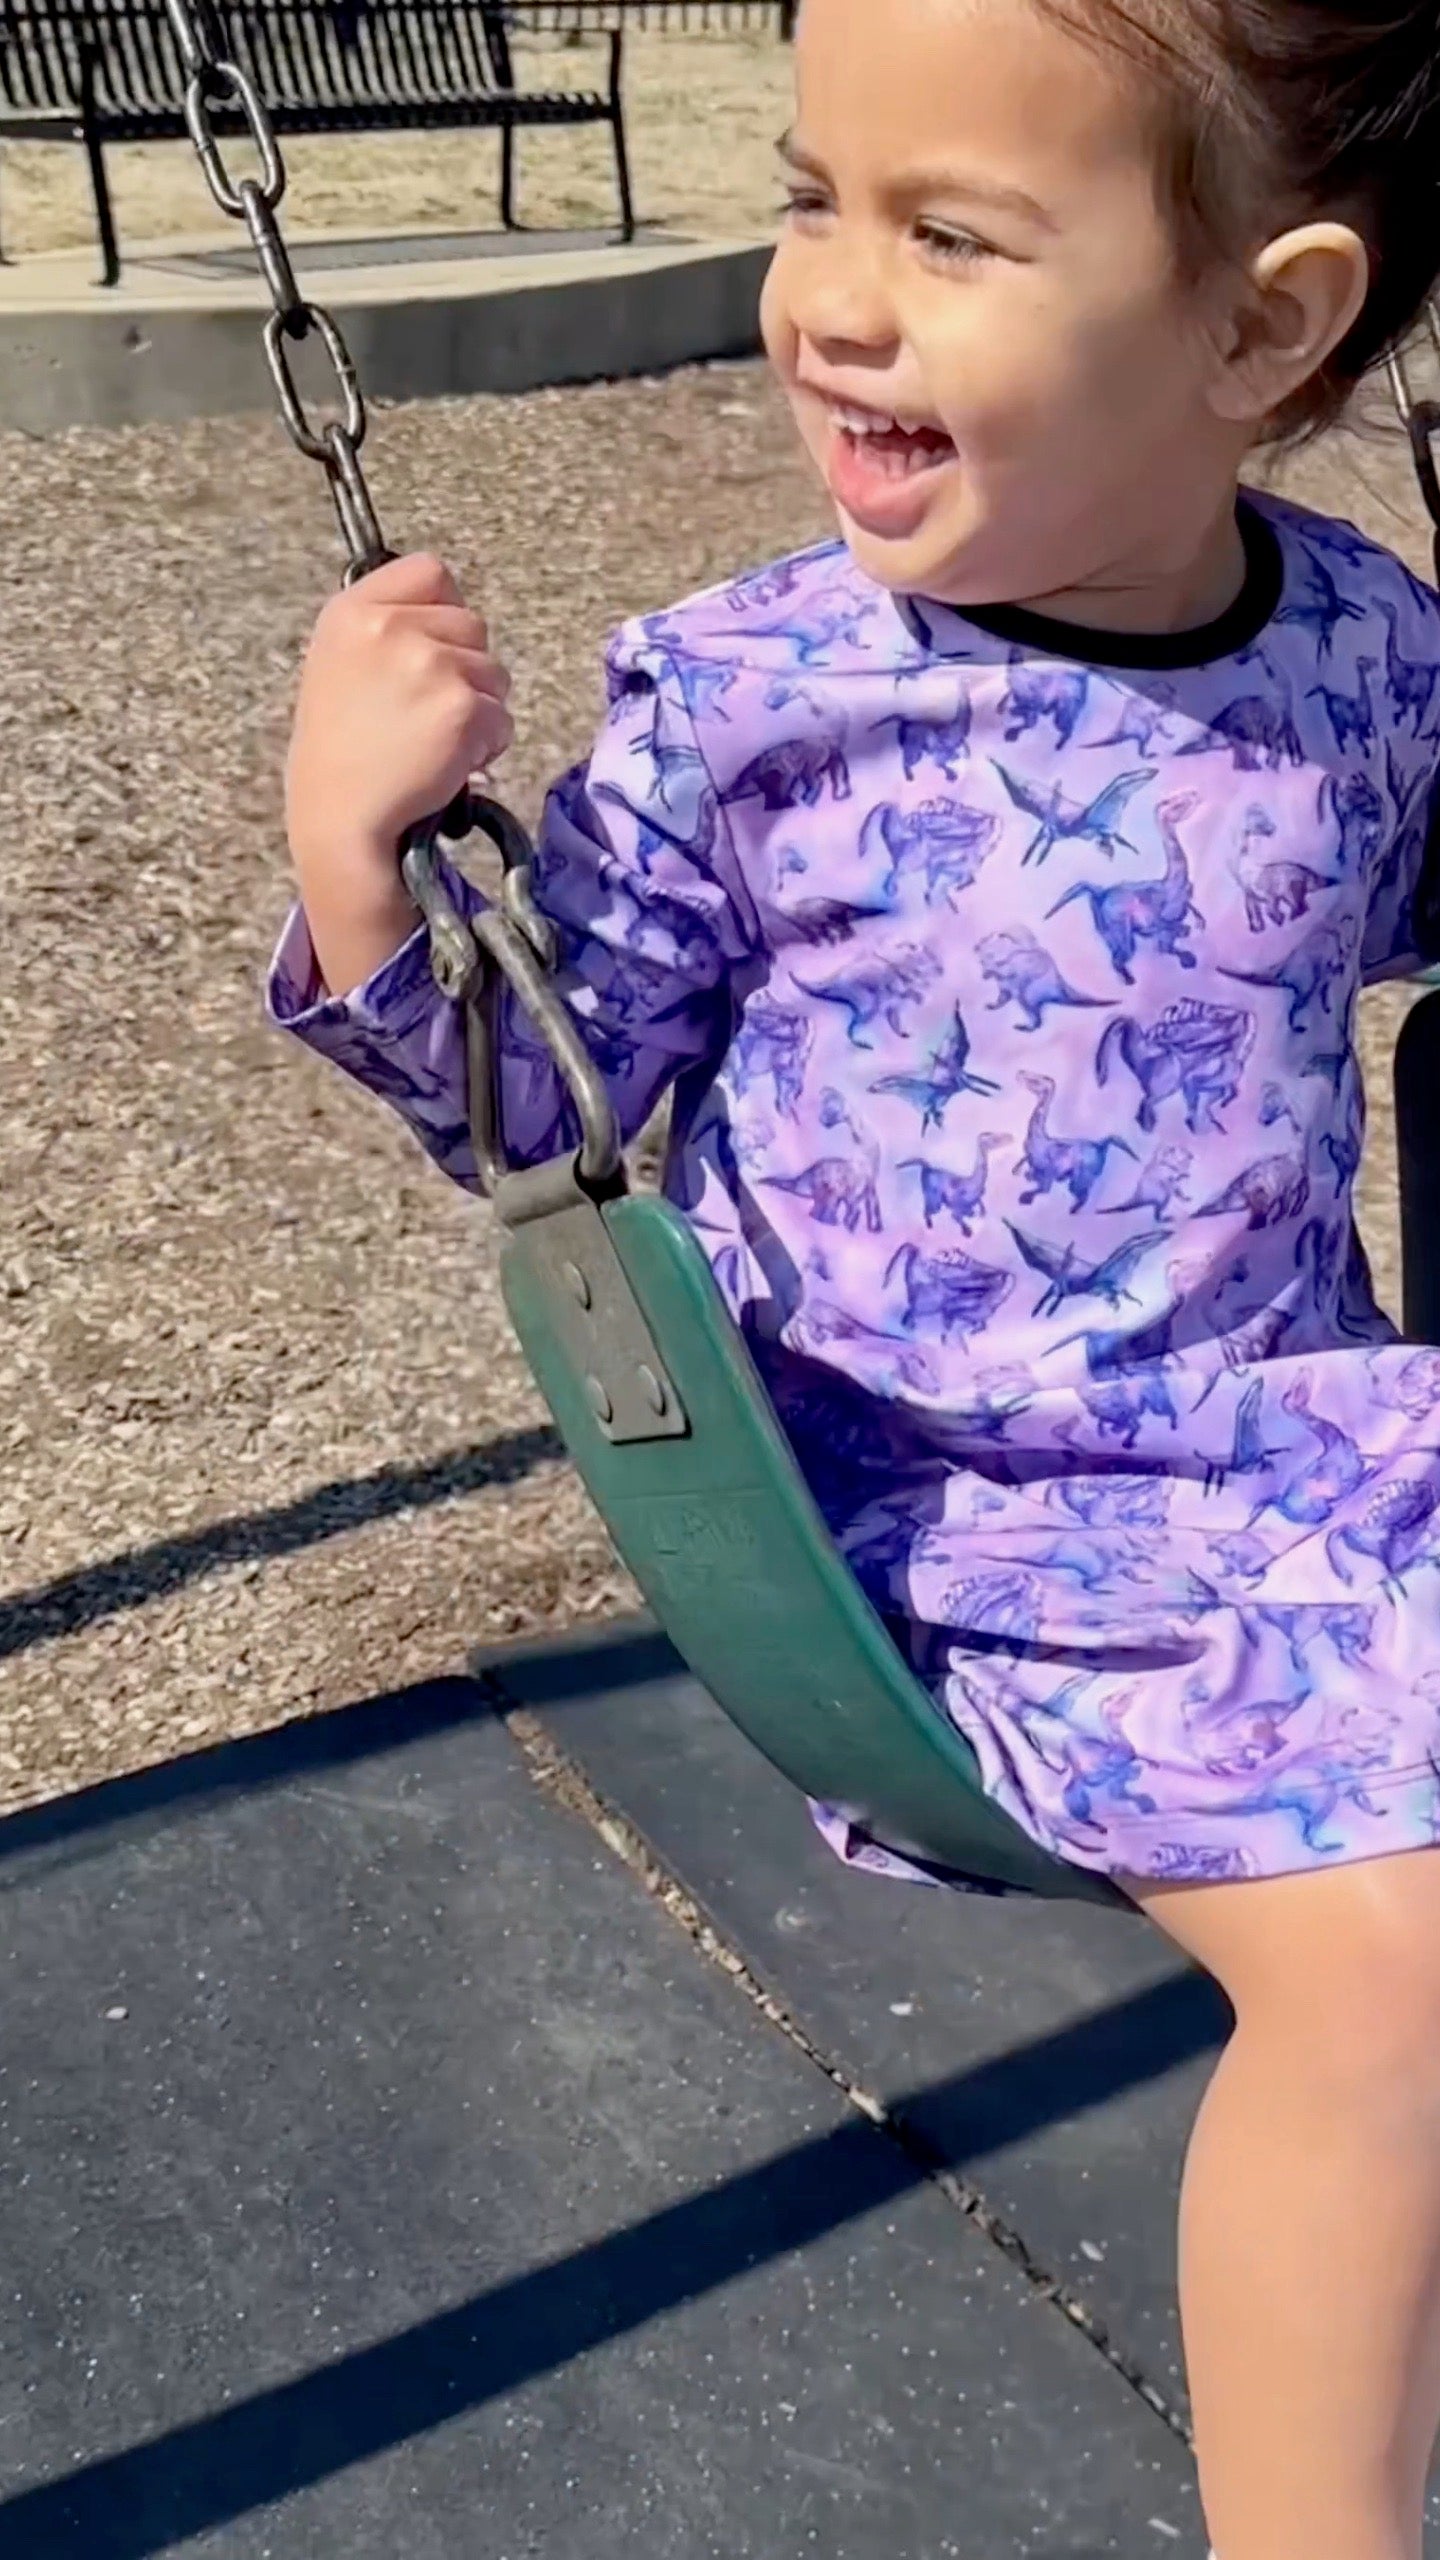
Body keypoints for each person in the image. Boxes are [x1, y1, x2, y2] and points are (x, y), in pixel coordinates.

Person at [272, 0, 1440, 2548]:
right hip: (957, 1528)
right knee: (1399, 1972)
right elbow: (544, 1115)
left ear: (1263, 329)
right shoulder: (754, 700)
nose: (826, 299)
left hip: (1309, 1445)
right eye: (815, 194)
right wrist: (363, 863)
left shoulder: (1369, 653)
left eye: (953, 234)